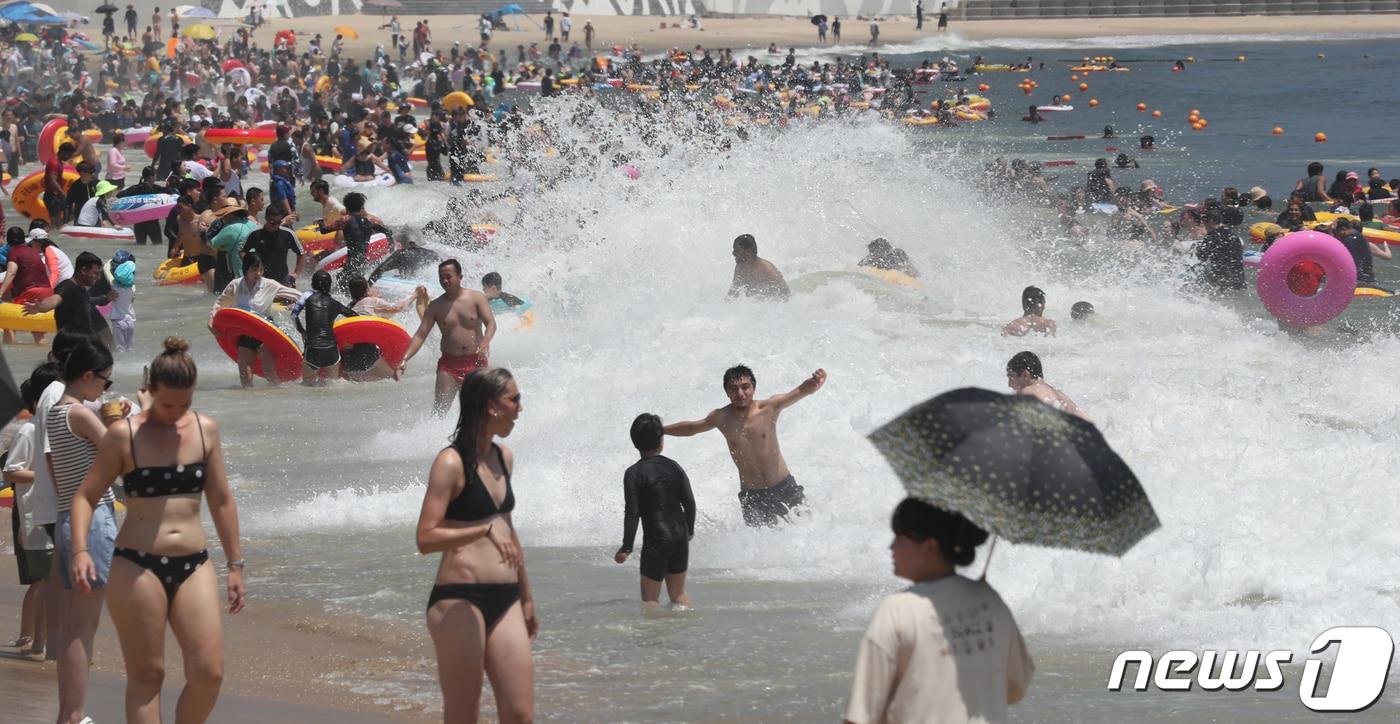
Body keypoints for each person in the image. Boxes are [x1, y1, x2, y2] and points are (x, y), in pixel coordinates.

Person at [68, 337, 245, 724]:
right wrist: (80, 551)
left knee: (209, 672)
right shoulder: (124, 435)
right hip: (137, 565)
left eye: (185, 404)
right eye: (168, 405)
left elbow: (222, 501)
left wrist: (235, 564)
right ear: (150, 391)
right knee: (148, 674)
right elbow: (85, 497)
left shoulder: (205, 430)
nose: (176, 413)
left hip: (194, 564)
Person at [415, 368, 536, 723]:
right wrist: (481, 530)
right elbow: (425, 537)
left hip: (507, 597)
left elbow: (508, 531)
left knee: (519, 714)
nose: (520, 407)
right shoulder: (450, 463)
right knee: (464, 715)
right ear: (491, 407)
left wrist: (527, 596)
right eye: (514, 399)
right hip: (458, 598)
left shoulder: (504, 458)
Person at [843, 498, 1033, 724]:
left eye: (899, 538)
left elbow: (861, 715)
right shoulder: (991, 602)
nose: (891, 547)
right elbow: (1016, 686)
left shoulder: (898, 608)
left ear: (929, 547)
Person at [47, 339, 121, 724]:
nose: (105, 390)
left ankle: (68, 713)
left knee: (72, 624)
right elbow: (120, 451)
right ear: (88, 375)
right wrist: (122, 421)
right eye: (105, 382)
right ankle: (73, 715)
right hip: (92, 518)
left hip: (67, 517)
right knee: (83, 627)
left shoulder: (57, 413)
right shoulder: (80, 415)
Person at [663, 365, 826, 527]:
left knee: (808, 532)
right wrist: (662, 430)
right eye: (733, 389)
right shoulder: (721, 417)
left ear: (753, 387)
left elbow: (801, 391)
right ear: (727, 392)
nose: (740, 393)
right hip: (753, 497)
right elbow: (692, 428)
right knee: (762, 550)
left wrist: (817, 380)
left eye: (745, 387)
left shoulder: (769, 407)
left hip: (785, 488)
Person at [615, 413, 696, 609]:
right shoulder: (674, 466)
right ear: (661, 440)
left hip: (657, 539)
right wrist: (689, 529)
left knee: (650, 599)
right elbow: (690, 503)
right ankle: (690, 630)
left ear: (634, 442)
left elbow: (632, 512)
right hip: (679, 535)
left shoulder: (633, 473)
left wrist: (627, 547)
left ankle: (654, 639)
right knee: (678, 594)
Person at [399, 259, 498, 415]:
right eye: (441, 277)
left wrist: (485, 342)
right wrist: (404, 358)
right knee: (439, 413)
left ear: (460, 276)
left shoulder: (477, 298)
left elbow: (491, 323)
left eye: (448, 276)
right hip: (449, 366)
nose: (444, 280)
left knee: (479, 412)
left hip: (476, 363)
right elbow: (420, 334)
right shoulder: (436, 306)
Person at [3, 376, 54, 659]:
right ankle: (33, 638)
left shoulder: (53, 429)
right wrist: (45, 476)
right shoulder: (29, 431)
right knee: (41, 582)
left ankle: (34, 636)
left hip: (48, 514)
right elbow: (10, 472)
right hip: (32, 514)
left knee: (44, 581)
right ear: (38, 401)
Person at [210, 253, 303, 388]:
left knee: (269, 371)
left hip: (266, 330)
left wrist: (308, 303)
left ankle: (279, 399)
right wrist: (211, 320)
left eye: (261, 269)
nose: (258, 273)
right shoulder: (235, 285)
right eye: (254, 270)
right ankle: (250, 401)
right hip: (245, 329)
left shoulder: (269, 284)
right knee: (245, 371)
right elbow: (220, 303)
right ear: (245, 269)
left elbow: (296, 295)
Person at [24, 252, 112, 346]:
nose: (98, 278)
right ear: (83, 270)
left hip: (83, 347)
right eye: (95, 273)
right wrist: (40, 307)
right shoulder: (67, 287)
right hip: (69, 349)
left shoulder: (82, 291)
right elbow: (54, 300)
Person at [292, 271, 359, 385]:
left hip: (313, 348)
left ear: (313, 284)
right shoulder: (335, 303)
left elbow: (293, 315)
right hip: (331, 349)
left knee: (307, 388)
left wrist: (302, 331)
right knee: (332, 387)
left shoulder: (307, 296)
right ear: (329, 285)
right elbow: (355, 317)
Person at [0, 227, 54, 344]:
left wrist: (0, 293)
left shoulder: (13, 252)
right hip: (47, 291)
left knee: (8, 323)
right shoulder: (33, 251)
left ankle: (10, 355)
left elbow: (11, 271)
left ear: (9, 242)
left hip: (31, 291)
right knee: (37, 329)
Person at [1006, 351, 1090, 420]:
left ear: (1025, 374)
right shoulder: (1059, 394)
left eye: (1011, 377)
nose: (1009, 384)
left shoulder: (1027, 392)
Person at [241, 205, 304, 287]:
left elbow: (301, 253)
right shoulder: (255, 233)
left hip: (283, 279)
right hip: (261, 279)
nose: (276, 225)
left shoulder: (287, 233)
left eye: (279, 222)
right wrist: (252, 267)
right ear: (266, 218)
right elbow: (242, 252)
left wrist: (296, 273)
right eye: (273, 222)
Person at [1192, 209, 1245, 293]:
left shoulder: (1212, 236)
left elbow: (1201, 256)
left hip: (1222, 281)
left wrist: (1198, 246)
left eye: (1205, 223)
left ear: (1212, 221)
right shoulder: (1233, 235)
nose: (1205, 227)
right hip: (1238, 278)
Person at [1333, 218, 1392, 290]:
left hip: (1358, 281)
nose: (1335, 235)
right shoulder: (1361, 238)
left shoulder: (1349, 240)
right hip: (1368, 280)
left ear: (1343, 229)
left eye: (1335, 231)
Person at [728, 234, 790, 301]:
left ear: (748, 251)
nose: (733, 253)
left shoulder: (768, 270)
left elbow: (786, 297)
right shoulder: (740, 267)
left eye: (737, 250)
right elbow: (733, 294)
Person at [45, 142, 77, 227]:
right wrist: (64, 195)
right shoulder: (54, 163)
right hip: (52, 197)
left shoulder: (59, 161)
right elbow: (53, 181)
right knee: (55, 224)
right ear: (63, 152)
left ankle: (60, 227)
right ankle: (54, 233)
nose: (70, 157)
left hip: (57, 196)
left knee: (74, 211)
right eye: (69, 155)